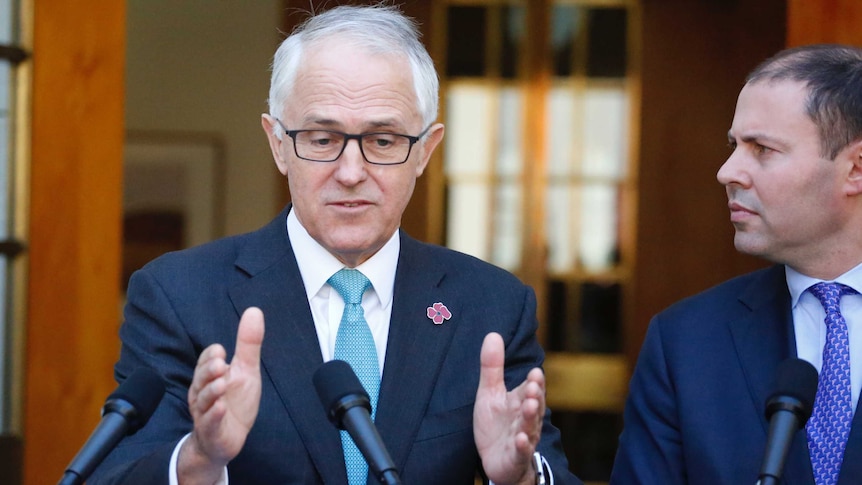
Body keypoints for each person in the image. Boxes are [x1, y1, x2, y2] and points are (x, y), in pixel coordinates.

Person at [90, 5, 581, 485]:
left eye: (383, 141)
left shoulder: (490, 305)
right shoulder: (180, 295)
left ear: (425, 151)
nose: (351, 173)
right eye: (322, 139)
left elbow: (548, 468)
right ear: (278, 144)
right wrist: (199, 458)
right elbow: (114, 475)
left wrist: (519, 478)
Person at [610, 43, 862, 484]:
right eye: (734, 145)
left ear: (856, 168)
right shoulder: (685, 341)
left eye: (762, 149)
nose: (727, 172)